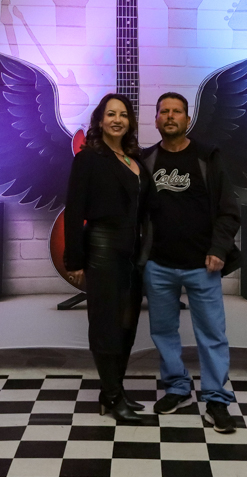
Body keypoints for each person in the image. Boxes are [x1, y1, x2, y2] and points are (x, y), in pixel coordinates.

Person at [141, 92, 241, 433]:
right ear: (156, 119)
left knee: (211, 334)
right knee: (163, 332)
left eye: (177, 111)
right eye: (164, 111)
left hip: (203, 265)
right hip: (158, 266)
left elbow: (229, 211)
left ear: (187, 118)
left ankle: (216, 399)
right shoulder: (147, 160)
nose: (170, 116)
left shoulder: (207, 158)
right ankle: (177, 388)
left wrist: (219, 249)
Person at [64, 93, 151, 424]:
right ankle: (113, 396)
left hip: (133, 253)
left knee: (127, 324)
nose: (118, 120)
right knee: (106, 325)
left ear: (130, 122)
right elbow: (74, 212)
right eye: (111, 114)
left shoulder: (135, 159)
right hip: (102, 249)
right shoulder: (88, 159)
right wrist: (74, 261)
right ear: (100, 121)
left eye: (123, 115)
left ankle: (112, 392)